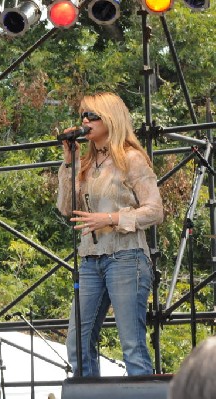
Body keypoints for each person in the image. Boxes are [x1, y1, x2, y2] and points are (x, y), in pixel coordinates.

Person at [56, 92, 163, 377]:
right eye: (83, 115)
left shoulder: (132, 159)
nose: (85, 120)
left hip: (126, 257)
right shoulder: (86, 164)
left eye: (92, 115)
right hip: (90, 260)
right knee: (77, 343)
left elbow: (155, 210)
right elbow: (68, 209)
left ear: (111, 119)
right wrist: (70, 162)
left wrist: (111, 218)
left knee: (132, 345)